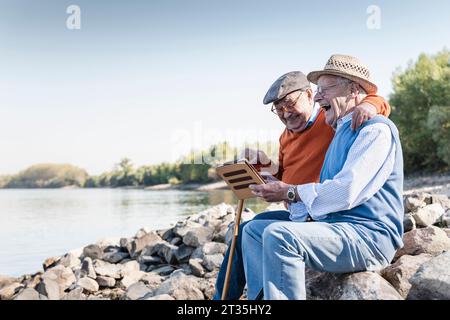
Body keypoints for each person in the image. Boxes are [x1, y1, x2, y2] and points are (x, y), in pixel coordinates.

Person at [213, 67, 391, 300]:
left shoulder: (331, 119)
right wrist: (261, 166)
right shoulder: (285, 136)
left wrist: (372, 104)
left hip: (325, 212)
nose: (286, 113)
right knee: (248, 228)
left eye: (289, 103)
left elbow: (369, 100)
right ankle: (231, 299)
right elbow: (286, 178)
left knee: (266, 232)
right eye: (278, 108)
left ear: (309, 95)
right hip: (301, 211)